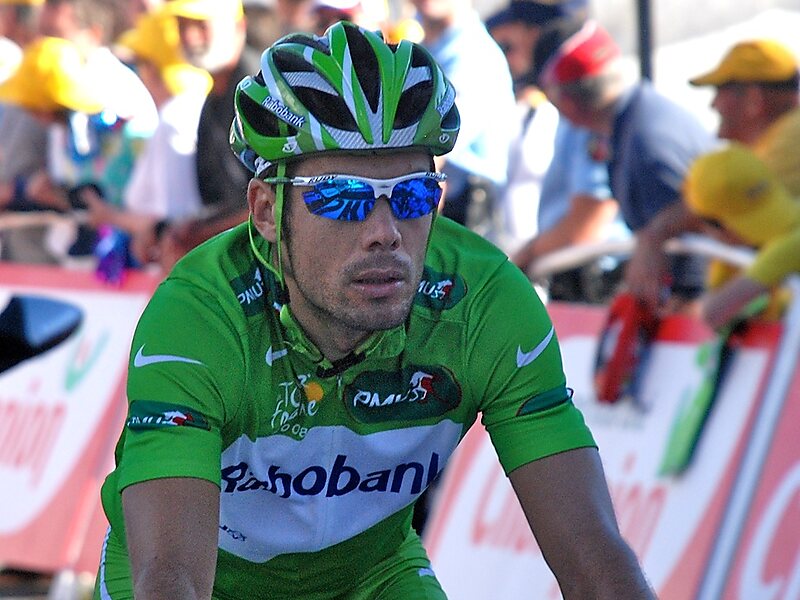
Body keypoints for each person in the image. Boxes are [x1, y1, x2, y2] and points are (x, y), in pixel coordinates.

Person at [94, 22, 654, 600]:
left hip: (370, 576)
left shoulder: (482, 305)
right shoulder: (200, 317)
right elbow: (172, 579)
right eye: (343, 198)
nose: (385, 233)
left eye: (413, 194)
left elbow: (594, 556)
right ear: (265, 210)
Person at [533, 17, 714, 313]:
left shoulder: (646, 140)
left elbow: (699, 222)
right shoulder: (634, 121)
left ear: (566, 102)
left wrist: (686, 309)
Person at [627, 38, 800, 311]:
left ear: (754, 100)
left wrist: (654, 235)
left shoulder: (790, 140)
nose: (713, 104)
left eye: (720, 91)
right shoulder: (774, 140)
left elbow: (723, 208)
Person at [81, 4, 212, 262]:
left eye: (139, 63)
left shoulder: (175, 119)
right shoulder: (186, 110)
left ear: (152, 67)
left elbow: (175, 223)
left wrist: (109, 216)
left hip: (181, 268)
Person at [143, 0, 260, 271]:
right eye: (182, 26)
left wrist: (199, 235)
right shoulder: (215, 97)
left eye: (201, 25)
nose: (190, 36)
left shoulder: (262, 91)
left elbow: (279, 200)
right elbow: (221, 199)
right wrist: (179, 230)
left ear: (238, 27)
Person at [409, 0, 517, 233]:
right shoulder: (422, 50)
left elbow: (436, 144)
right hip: (440, 202)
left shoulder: (474, 53)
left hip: (469, 210)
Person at [683, 143, 800, 330]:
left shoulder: (788, 246)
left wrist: (684, 309)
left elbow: (711, 314)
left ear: (712, 225)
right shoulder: (791, 218)